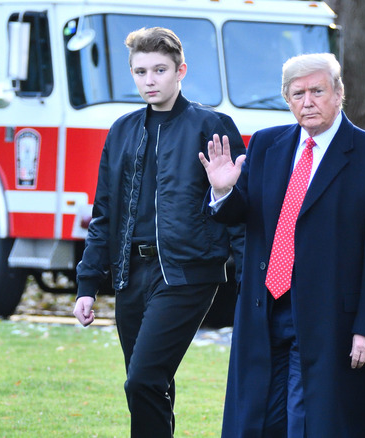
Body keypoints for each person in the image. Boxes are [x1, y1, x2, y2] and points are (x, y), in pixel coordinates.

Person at [199, 53, 365, 437]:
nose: (307, 101)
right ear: (286, 98)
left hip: (331, 319)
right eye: (297, 93)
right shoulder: (265, 145)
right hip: (263, 313)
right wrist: (223, 189)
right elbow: (241, 215)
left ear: (339, 93)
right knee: (259, 422)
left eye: (317, 90)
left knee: (312, 423)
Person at [72, 27, 245, 437]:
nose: (149, 80)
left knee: (143, 379)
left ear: (180, 70)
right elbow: (104, 214)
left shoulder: (212, 125)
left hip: (188, 274)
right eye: (140, 71)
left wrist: (248, 280)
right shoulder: (122, 130)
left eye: (159, 70)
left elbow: (242, 211)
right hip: (130, 275)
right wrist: (86, 284)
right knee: (151, 384)